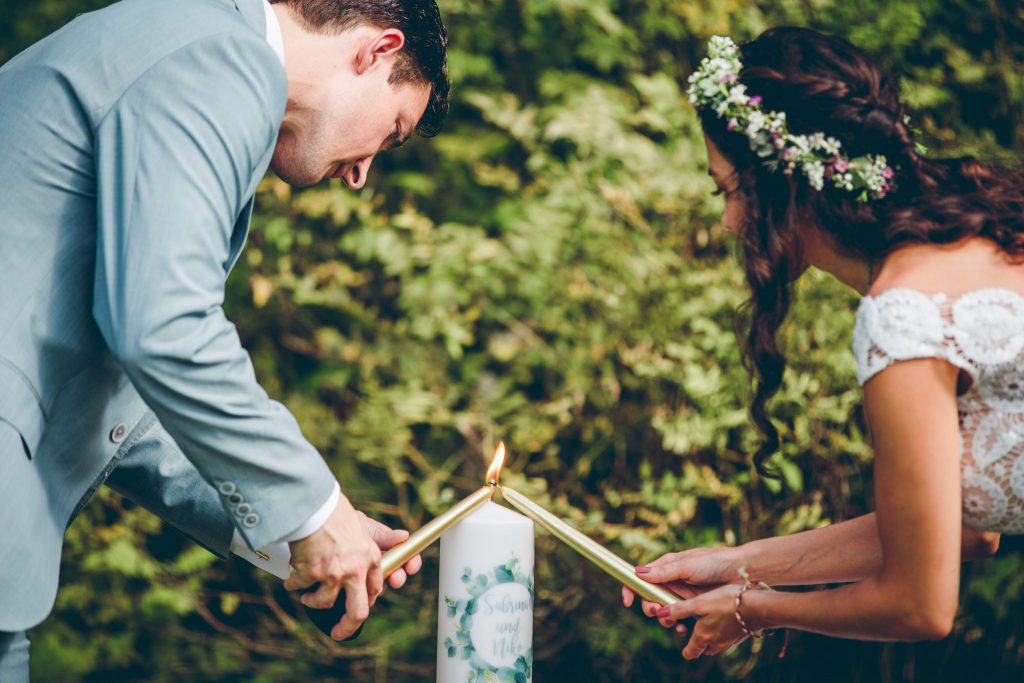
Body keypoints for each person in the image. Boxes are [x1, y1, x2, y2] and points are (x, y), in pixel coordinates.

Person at [0, 0, 449, 677]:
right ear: (375, 50)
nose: (361, 174)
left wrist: (306, 529)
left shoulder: (186, 41)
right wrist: (312, 510)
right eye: (391, 133)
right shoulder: (224, 55)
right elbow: (165, 330)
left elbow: (127, 411)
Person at [621, 27, 1022, 660]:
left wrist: (751, 610)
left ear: (784, 185)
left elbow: (920, 603)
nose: (727, 223)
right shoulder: (981, 231)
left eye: (727, 190)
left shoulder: (904, 315)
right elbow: (966, 532)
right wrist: (737, 565)